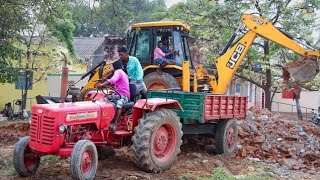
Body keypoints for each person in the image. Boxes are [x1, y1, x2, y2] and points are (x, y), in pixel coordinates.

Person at [97, 60, 130, 131]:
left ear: (114, 68)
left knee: (119, 103)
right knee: (105, 99)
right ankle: (106, 121)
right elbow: (114, 83)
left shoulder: (118, 72)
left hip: (123, 96)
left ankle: (115, 124)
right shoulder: (123, 73)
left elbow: (113, 80)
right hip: (118, 94)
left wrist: (102, 84)